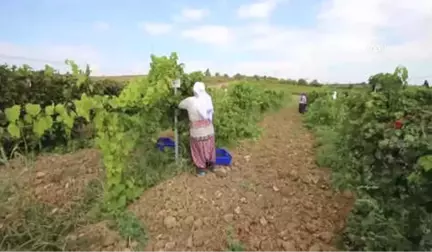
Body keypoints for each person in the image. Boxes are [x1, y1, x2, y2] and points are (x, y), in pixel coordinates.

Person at [178, 82, 216, 177]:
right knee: (209, 147)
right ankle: (212, 165)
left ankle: (201, 169)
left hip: (197, 131)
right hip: (209, 129)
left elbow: (179, 105)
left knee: (197, 148)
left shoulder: (190, 100)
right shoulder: (208, 99)